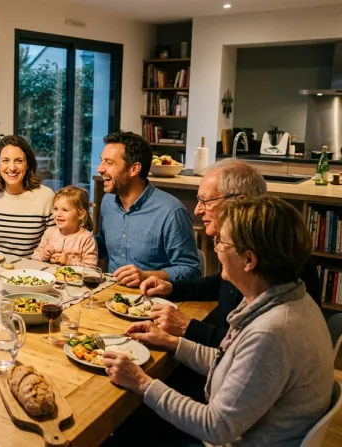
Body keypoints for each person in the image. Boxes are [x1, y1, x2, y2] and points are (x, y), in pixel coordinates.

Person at [104, 196, 334, 446]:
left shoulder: (272, 332)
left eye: (220, 242)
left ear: (249, 260)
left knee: (120, 425)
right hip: (249, 427)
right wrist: (172, 342)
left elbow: (215, 427)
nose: (216, 249)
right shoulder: (287, 296)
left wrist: (141, 381)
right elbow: (231, 362)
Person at [139, 158, 322, 348]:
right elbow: (221, 284)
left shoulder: (277, 257)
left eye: (205, 201)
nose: (197, 210)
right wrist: (172, 288)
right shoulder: (243, 243)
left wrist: (187, 327)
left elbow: (248, 346)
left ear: (238, 203)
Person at [96, 131, 200, 285]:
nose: (100, 169)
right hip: (110, 296)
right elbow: (105, 246)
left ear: (134, 169)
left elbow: (191, 270)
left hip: (155, 302)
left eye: (109, 163)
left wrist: (146, 276)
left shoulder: (171, 212)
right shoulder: (108, 202)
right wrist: (75, 242)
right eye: (101, 161)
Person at [0, 135, 54, 257]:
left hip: (31, 271)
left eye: (19, 161)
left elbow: (54, 240)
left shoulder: (46, 196)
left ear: (27, 164)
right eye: (5, 160)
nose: (12, 168)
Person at [32, 185, 98, 266]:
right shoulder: (49, 232)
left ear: (81, 214)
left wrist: (69, 262)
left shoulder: (86, 238)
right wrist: (43, 255)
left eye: (65, 210)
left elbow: (91, 268)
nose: (58, 214)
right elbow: (34, 256)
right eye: (55, 209)